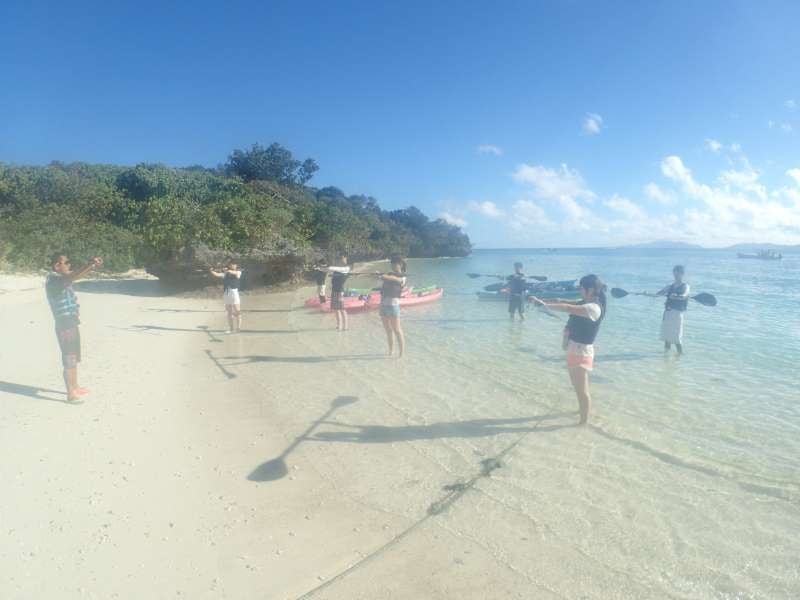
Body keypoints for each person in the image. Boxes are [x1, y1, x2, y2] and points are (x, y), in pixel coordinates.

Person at [530, 274, 606, 425]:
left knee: (582, 391)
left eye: (581, 288)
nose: (580, 291)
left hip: (581, 353)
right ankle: (582, 411)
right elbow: (562, 302)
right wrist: (542, 301)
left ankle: (583, 423)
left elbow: (568, 308)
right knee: (578, 388)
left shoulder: (593, 308)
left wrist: (543, 306)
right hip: (574, 350)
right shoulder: (586, 302)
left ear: (590, 290)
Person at [45, 252, 103, 401]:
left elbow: (74, 276)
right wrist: (90, 264)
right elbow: (73, 276)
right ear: (57, 266)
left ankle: (75, 386)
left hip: (71, 323)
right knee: (69, 358)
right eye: (67, 262)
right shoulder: (53, 280)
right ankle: (71, 394)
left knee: (74, 357)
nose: (69, 265)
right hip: (64, 325)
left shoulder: (60, 278)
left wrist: (91, 266)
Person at [378, 256, 407, 357]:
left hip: (393, 306)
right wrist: (377, 275)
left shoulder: (403, 277)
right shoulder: (389, 274)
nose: (393, 266)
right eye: (392, 264)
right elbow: (384, 278)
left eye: (395, 264)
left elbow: (396, 279)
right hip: (383, 305)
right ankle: (390, 352)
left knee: (397, 330)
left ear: (400, 264)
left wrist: (384, 276)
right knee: (388, 330)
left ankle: (401, 354)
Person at [656, 265, 689, 355]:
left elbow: (685, 295)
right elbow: (658, 294)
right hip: (667, 313)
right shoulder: (670, 286)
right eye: (674, 274)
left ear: (682, 274)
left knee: (676, 337)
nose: (676, 276)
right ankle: (666, 356)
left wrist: (677, 296)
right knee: (667, 337)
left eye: (678, 274)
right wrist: (646, 294)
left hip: (677, 314)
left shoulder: (685, 286)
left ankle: (680, 355)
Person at [209, 260, 242, 334]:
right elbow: (217, 274)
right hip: (226, 293)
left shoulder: (238, 272)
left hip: (234, 293)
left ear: (236, 265)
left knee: (237, 311)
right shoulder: (225, 273)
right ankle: (231, 329)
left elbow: (234, 273)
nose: (233, 265)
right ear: (229, 265)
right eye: (231, 264)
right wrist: (211, 271)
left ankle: (238, 329)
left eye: (234, 264)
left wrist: (227, 270)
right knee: (229, 312)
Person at [326, 255, 352, 331]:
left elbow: (331, 268)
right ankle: (339, 325)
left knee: (342, 309)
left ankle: (345, 326)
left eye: (344, 258)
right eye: (341, 258)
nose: (342, 260)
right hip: (334, 291)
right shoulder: (336, 270)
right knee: (336, 309)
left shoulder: (345, 269)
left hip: (340, 291)